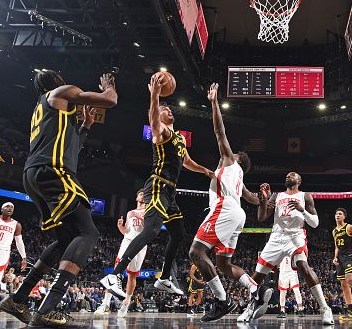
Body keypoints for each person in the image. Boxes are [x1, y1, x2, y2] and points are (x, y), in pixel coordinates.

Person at [0, 70, 117, 328]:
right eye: (61, 76)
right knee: (88, 233)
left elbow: (71, 144)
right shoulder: (60, 92)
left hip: (34, 174)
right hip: (53, 172)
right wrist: (109, 87)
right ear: (55, 82)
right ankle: (48, 308)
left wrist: (85, 126)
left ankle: (18, 299)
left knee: (65, 239)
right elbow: (109, 101)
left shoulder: (48, 111)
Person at [100, 73, 213, 300]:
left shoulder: (179, 138)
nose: (168, 110)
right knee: (151, 230)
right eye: (165, 109)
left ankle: (164, 278)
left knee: (178, 233)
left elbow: (187, 162)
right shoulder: (160, 132)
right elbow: (153, 120)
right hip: (157, 186)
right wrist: (154, 97)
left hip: (169, 191)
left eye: (170, 109)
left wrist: (205, 171)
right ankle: (115, 275)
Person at [188, 82, 262, 323]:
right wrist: (265, 199)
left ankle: (222, 301)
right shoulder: (238, 179)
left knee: (196, 252)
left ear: (237, 158)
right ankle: (255, 290)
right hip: (237, 213)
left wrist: (214, 103)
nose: (226, 153)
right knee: (223, 266)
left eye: (232, 153)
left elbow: (220, 133)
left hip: (223, 210)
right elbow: (253, 200)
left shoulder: (231, 161)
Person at [237, 172, 335, 325]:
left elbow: (315, 223)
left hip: (295, 235)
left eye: (292, 175)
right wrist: (264, 199)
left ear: (299, 181)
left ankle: (324, 308)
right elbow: (261, 218)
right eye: (287, 175)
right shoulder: (277, 196)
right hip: (276, 236)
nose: (289, 176)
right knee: (257, 276)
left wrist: (302, 210)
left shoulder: (305, 196)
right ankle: (251, 307)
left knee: (303, 265)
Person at [96, 189, 146, 317]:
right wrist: (120, 227)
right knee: (115, 271)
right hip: (127, 241)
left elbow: (151, 228)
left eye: (145, 194)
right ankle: (105, 304)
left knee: (132, 275)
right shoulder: (130, 213)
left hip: (140, 244)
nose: (143, 195)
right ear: (136, 198)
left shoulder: (150, 211)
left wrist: (138, 215)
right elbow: (127, 232)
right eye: (141, 193)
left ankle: (126, 302)